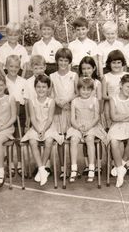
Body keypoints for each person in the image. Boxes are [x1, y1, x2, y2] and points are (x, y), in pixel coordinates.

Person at [66, 77, 107, 183]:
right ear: (79, 89)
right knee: (74, 139)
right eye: (83, 89)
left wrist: (89, 127)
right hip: (77, 125)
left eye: (88, 89)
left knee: (89, 139)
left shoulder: (94, 100)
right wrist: (78, 127)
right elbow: (72, 119)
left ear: (92, 90)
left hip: (92, 125)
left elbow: (97, 117)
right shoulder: (74, 101)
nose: (85, 91)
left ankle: (92, 167)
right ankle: (74, 168)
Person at [21, 75, 59, 186]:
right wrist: (38, 130)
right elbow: (32, 118)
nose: (41, 89)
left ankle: (41, 169)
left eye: (44, 87)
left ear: (48, 88)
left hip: (48, 127)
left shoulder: (51, 101)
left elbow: (50, 119)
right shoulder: (31, 102)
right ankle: (42, 169)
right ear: (35, 88)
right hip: (36, 127)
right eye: (38, 87)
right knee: (33, 141)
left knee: (48, 141)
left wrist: (43, 130)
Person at [50, 48, 79, 178]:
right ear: (57, 61)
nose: (63, 63)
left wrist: (67, 100)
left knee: (72, 138)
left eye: (66, 61)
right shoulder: (52, 76)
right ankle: (62, 168)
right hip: (58, 111)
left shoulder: (74, 75)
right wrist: (57, 101)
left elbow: (77, 92)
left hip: (70, 110)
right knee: (60, 139)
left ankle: (73, 166)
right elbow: (50, 94)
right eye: (60, 60)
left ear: (70, 62)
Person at [78, 56, 103, 175]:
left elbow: (99, 99)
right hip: (83, 115)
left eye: (88, 68)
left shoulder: (97, 83)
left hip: (94, 115)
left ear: (93, 68)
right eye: (83, 69)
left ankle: (97, 164)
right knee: (85, 139)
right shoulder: (80, 82)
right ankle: (88, 164)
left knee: (95, 139)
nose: (86, 71)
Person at [5, 55, 27, 176]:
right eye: (11, 66)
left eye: (16, 67)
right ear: (6, 66)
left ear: (20, 68)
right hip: (7, 113)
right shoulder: (3, 81)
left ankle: (19, 164)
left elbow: (26, 99)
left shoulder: (23, 81)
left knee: (19, 139)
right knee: (9, 139)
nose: (13, 69)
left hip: (21, 113)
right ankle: (9, 164)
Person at [102, 50, 129, 128]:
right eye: (113, 63)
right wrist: (114, 99)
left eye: (118, 62)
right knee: (107, 104)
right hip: (111, 105)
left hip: (125, 104)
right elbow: (104, 95)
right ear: (109, 64)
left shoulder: (127, 75)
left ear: (122, 63)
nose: (116, 65)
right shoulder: (106, 77)